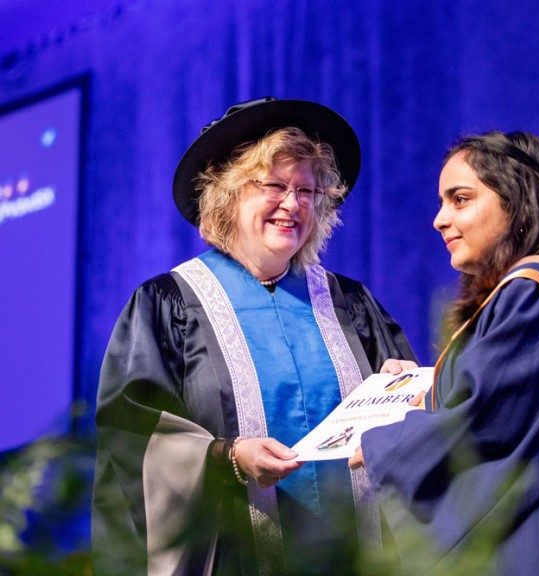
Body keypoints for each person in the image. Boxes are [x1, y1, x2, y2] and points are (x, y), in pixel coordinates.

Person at [92, 97, 418, 575]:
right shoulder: (170, 304)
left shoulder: (351, 304)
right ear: (227, 194)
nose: (293, 204)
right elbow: (134, 438)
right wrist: (228, 457)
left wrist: (405, 390)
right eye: (275, 185)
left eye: (307, 191)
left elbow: (411, 430)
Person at [350, 130, 539, 575]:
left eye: (460, 199)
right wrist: (422, 392)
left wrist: (383, 439)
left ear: (516, 206)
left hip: (538, 539)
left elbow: (486, 417)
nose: (440, 219)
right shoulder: (527, 298)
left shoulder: (537, 292)